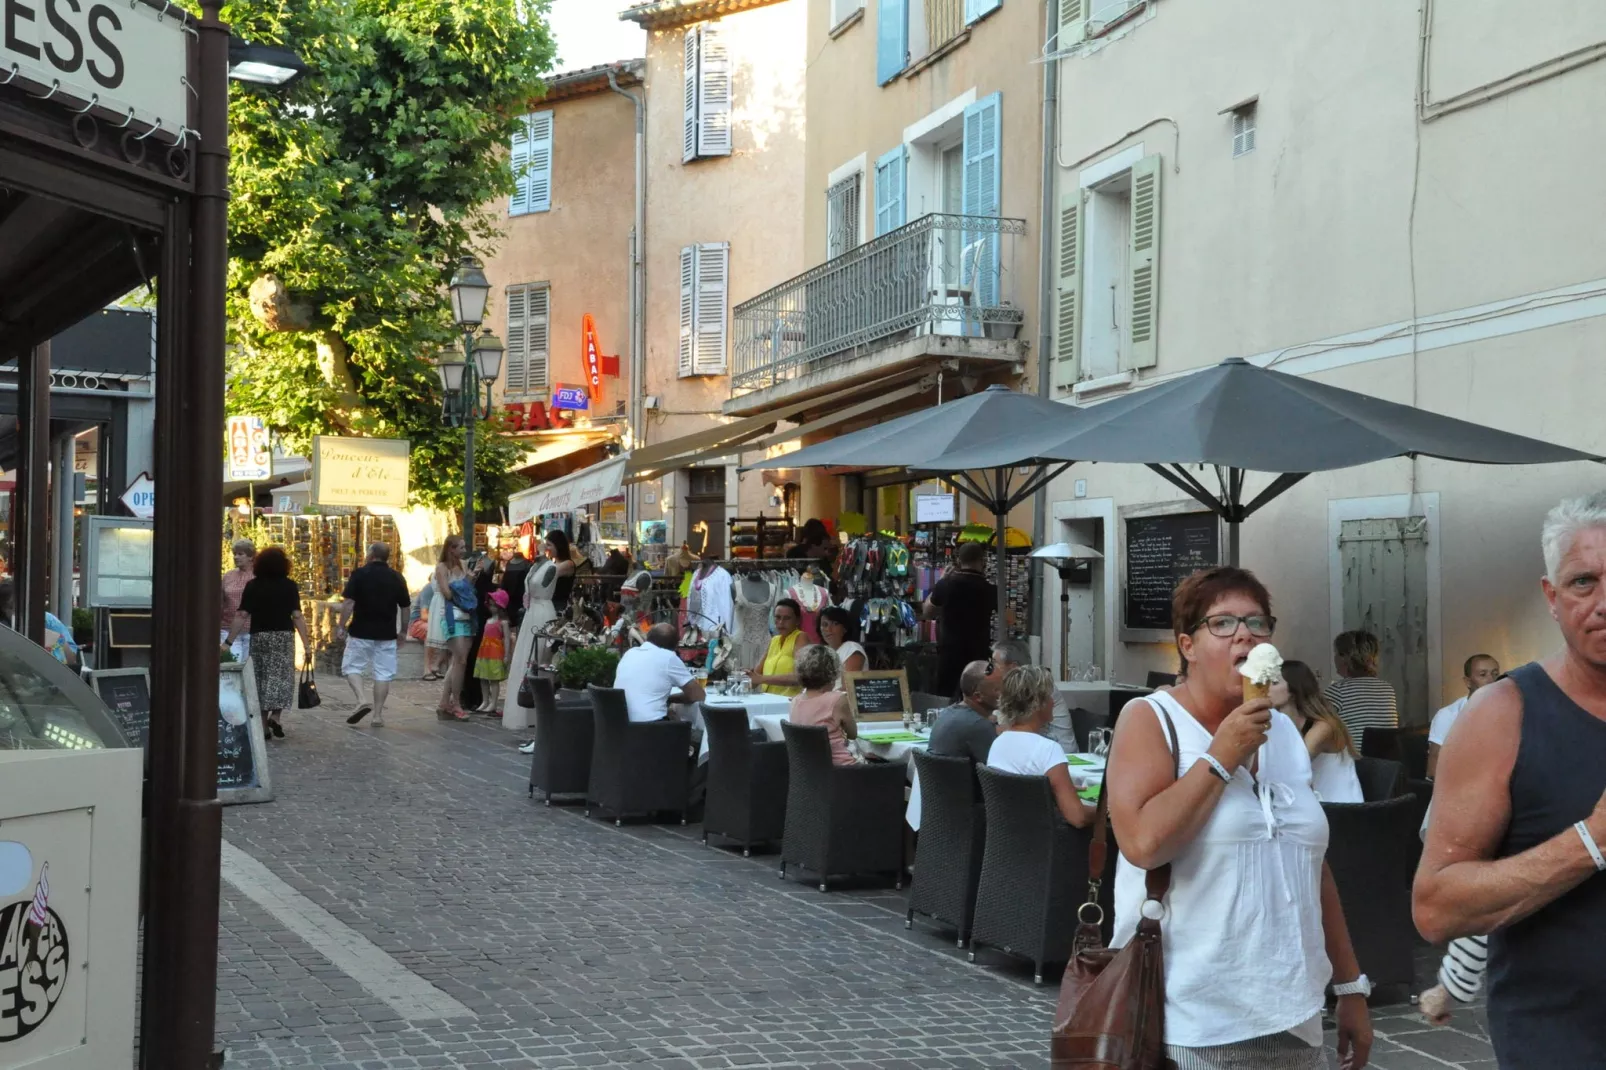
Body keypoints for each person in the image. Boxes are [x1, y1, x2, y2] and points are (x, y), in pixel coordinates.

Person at [1105, 566, 1372, 1069]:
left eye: (1256, 622)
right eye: (1223, 623)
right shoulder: (1151, 720)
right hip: (1191, 1024)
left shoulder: (1287, 735)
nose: (1245, 633)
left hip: (1295, 1014)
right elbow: (1142, 844)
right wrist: (1220, 756)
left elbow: (1312, 867)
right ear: (1187, 646)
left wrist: (1350, 985)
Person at [1414, 494, 1606, 1068]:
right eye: (1583, 582)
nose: (1603, 602)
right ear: (1552, 597)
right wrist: (1592, 840)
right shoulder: (1503, 715)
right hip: (1566, 1046)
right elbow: (1436, 906)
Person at [986, 666, 1093, 828]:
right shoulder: (1049, 750)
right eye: (1049, 697)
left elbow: (1017, 792)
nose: (1052, 702)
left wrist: (1051, 791)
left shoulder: (998, 742)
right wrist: (1106, 812)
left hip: (1008, 839)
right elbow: (1078, 818)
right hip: (1049, 843)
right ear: (1038, 704)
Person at [224, 546, 312, 740]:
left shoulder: (253, 586)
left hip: (260, 636)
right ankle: (277, 717)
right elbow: (297, 616)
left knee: (261, 678)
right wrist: (306, 644)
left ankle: (263, 726)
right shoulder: (290, 586)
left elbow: (241, 614)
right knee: (282, 677)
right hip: (283, 637)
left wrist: (228, 641)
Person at [336, 543, 410, 728]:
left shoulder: (359, 574)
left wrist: (340, 625)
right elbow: (405, 607)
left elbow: (348, 603)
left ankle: (361, 700)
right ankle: (377, 715)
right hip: (386, 633)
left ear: (371, 554)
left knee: (352, 667)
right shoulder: (397, 577)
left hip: (361, 631)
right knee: (383, 674)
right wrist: (403, 631)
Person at [1271, 659, 1363, 803]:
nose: (1264, 688)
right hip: (1313, 805)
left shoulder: (1323, 727)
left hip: (1341, 810)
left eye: (1274, 683)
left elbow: (1294, 767)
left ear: (1293, 690)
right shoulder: (1282, 724)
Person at [924, 541, 998, 698]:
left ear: (959, 560)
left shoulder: (946, 584)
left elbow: (928, 611)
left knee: (945, 696)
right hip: (978, 653)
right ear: (982, 561)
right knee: (977, 695)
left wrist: (941, 580)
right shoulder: (990, 589)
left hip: (950, 651)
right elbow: (1010, 618)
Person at [1427, 653, 1500, 777]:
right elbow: (1433, 770)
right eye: (1483, 675)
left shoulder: (1509, 711)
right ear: (1468, 682)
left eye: (1495, 674)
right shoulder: (1448, 716)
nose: (1491, 680)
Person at [614, 622, 705, 722]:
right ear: (674, 647)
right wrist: (671, 699)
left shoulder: (630, 653)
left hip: (621, 726)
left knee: (672, 715)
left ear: (648, 637)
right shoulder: (668, 657)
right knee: (678, 720)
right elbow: (698, 695)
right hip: (651, 729)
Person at [788, 644, 860, 765]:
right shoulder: (837, 699)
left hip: (810, 771)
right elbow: (853, 734)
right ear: (833, 673)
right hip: (843, 772)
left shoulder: (795, 701)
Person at [1323, 629, 1399, 744]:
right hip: (1386, 759)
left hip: (1355, 759)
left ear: (1345, 658)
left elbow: (1316, 726)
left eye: (1336, 653)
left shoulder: (1338, 691)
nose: (1334, 658)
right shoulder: (1387, 689)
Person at [433, 535, 475, 721]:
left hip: (467, 615)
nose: (464, 551)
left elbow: (469, 591)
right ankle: (456, 702)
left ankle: (444, 702)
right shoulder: (442, 568)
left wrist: (470, 580)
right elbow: (447, 593)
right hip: (451, 616)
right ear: (451, 549)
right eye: (461, 548)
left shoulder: (464, 565)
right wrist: (465, 582)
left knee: (459, 661)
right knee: (460, 660)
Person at [929, 660, 1000, 765]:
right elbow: (1001, 770)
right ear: (978, 696)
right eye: (997, 689)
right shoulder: (979, 726)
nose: (1004, 692)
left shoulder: (946, 713)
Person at [0, 581, 79, 667]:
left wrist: (54, 640)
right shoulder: (4, 627)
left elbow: (71, 659)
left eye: (22, 604)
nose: (18, 611)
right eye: (11, 607)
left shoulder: (47, 620)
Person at [750, 597, 808, 696]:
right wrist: (741, 677)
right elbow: (755, 677)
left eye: (787, 618)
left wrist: (761, 679)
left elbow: (799, 677)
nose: (781, 622)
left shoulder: (801, 637)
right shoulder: (774, 640)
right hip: (768, 700)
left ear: (797, 620)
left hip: (789, 702)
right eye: (777, 617)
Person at [472, 589, 511, 714]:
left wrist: (506, 655)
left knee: (493, 679)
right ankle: (485, 701)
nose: (492, 607)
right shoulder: (488, 621)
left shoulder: (503, 622)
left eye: (494, 605)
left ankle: (493, 702)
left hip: (495, 652)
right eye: (490, 604)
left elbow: (506, 639)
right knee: (483, 677)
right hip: (485, 652)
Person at [221, 538, 256, 663]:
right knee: (231, 666)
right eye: (234, 554)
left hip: (252, 631)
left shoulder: (258, 576)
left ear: (251, 557)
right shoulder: (228, 576)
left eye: (240, 554)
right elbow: (220, 602)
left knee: (248, 670)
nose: (236, 557)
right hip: (227, 629)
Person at [817, 605, 867, 675]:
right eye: (825, 625)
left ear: (845, 628)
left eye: (835, 624)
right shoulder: (823, 652)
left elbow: (849, 684)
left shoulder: (852, 649)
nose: (828, 629)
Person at [544, 530, 578, 614]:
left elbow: (547, 575)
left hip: (558, 607)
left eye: (549, 545)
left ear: (558, 545)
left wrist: (542, 554)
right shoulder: (553, 563)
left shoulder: (568, 564)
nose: (546, 548)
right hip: (550, 605)